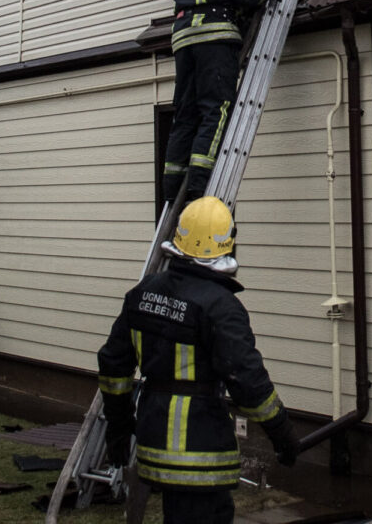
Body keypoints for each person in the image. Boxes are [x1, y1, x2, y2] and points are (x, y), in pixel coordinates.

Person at [97, 197, 297, 524]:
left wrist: (119, 426)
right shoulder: (221, 306)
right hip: (201, 450)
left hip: (153, 439)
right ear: (227, 243)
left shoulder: (143, 293)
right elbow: (247, 381)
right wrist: (282, 431)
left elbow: (113, 366)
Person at [161, 0, 280, 204]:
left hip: (182, 38)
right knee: (217, 107)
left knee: (186, 112)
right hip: (213, 37)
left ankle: (171, 185)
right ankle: (199, 185)